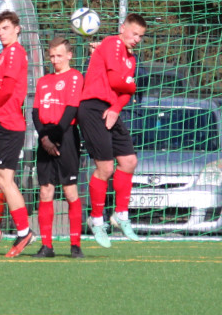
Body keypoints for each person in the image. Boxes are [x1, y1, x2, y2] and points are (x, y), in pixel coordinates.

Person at [78, 13, 148, 247]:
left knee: (129, 161)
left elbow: (125, 91)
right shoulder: (112, 43)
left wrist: (117, 107)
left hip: (110, 108)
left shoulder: (132, 58)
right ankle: (96, 220)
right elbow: (118, 81)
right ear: (122, 28)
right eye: (134, 33)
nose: (136, 39)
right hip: (92, 107)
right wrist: (132, 85)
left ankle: (121, 215)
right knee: (105, 168)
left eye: (140, 36)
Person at [0, 10, 34, 258]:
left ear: (17, 29)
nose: (2, 33)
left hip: (8, 124)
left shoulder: (16, 52)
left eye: (5, 28)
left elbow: (9, 88)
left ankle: (24, 231)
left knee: (5, 179)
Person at [31, 38, 85, 259]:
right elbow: (35, 112)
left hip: (66, 137)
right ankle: (47, 246)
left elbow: (71, 110)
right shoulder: (43, 81)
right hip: (45, 138)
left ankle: (75, 245)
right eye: (52, 56)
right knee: (45, 191)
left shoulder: (75, 77)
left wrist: (52, 138)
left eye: (59, 56)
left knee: (70, 191)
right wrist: (44, 139)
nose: (55, 60)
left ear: (69, 55)